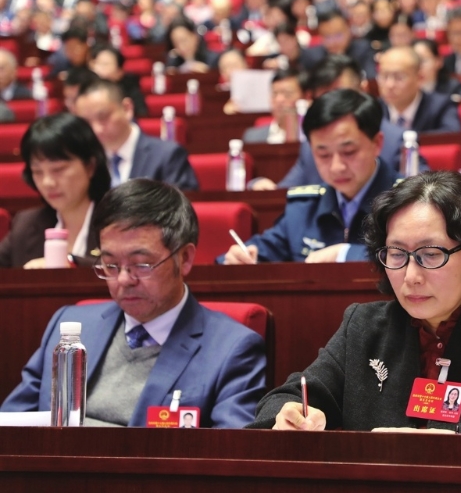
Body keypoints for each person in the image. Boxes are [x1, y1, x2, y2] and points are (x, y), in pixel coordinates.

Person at [248, 171, 461, 457]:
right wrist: (290, 415)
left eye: (431, 254)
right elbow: (287, 398)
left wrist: (458, 446)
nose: (411, 276)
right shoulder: (364, 327)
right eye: (397, 254)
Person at [1, 179, 267, 427]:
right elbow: (11, 425)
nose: (124, 279)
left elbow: (228, 454)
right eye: (111, 264)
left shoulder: (232, 349)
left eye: (141, 264)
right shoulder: (70, 324)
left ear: (185, 258)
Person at [219, 89, 402, 264]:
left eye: (348, 152)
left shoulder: (407, 203)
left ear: (377, 143)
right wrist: (240, 257)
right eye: (323, 154)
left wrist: (346, 254)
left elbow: (413, 255)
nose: (336, 167)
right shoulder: (304, 208)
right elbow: (262, 250)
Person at [249, 55, 428, 191]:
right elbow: (286, 191)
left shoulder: (397, 141)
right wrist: (258, 184)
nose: (333, 107)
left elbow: (424, 191)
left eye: (341, 96)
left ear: (362, 90)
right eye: (324, 98)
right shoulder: (311, 146)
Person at [0, 113, 110, 268]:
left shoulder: (117, 222)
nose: (48, 182)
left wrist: (72, 263)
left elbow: (123, 269)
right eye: (37, 172)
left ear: (90, 166)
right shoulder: (26, 224)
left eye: (58, 169)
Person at [74, 79, 199, 191]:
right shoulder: (86, 162)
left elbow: (182, 207)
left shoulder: (168, 155)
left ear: (127, 108)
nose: (96, 129)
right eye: (86, 122)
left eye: (103, 117)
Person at [377, 47, 461, 134]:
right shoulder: (374, 109)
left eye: (399, 77)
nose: (389, 85)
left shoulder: (441, 106)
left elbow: (451, 134)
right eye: (384, 76)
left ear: (420, 78)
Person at [300, 10, 377, 79]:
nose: (333, 42)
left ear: (349, 31)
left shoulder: (363, 49)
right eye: (327, 37)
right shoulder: (312, 56)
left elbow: (370, 77)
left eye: (338, 35)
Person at [242, 69, 305, 144]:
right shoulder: (252, 137)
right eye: (274, 94)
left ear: (305, 97)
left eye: (287, 94)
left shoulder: (311, 137)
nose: (278, 100)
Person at [88, 43, 149, 118]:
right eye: (97, 63)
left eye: (105, 64)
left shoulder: (130, 89)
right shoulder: (87, 88)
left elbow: (141, 112)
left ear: (119, 71)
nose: (98, 69)